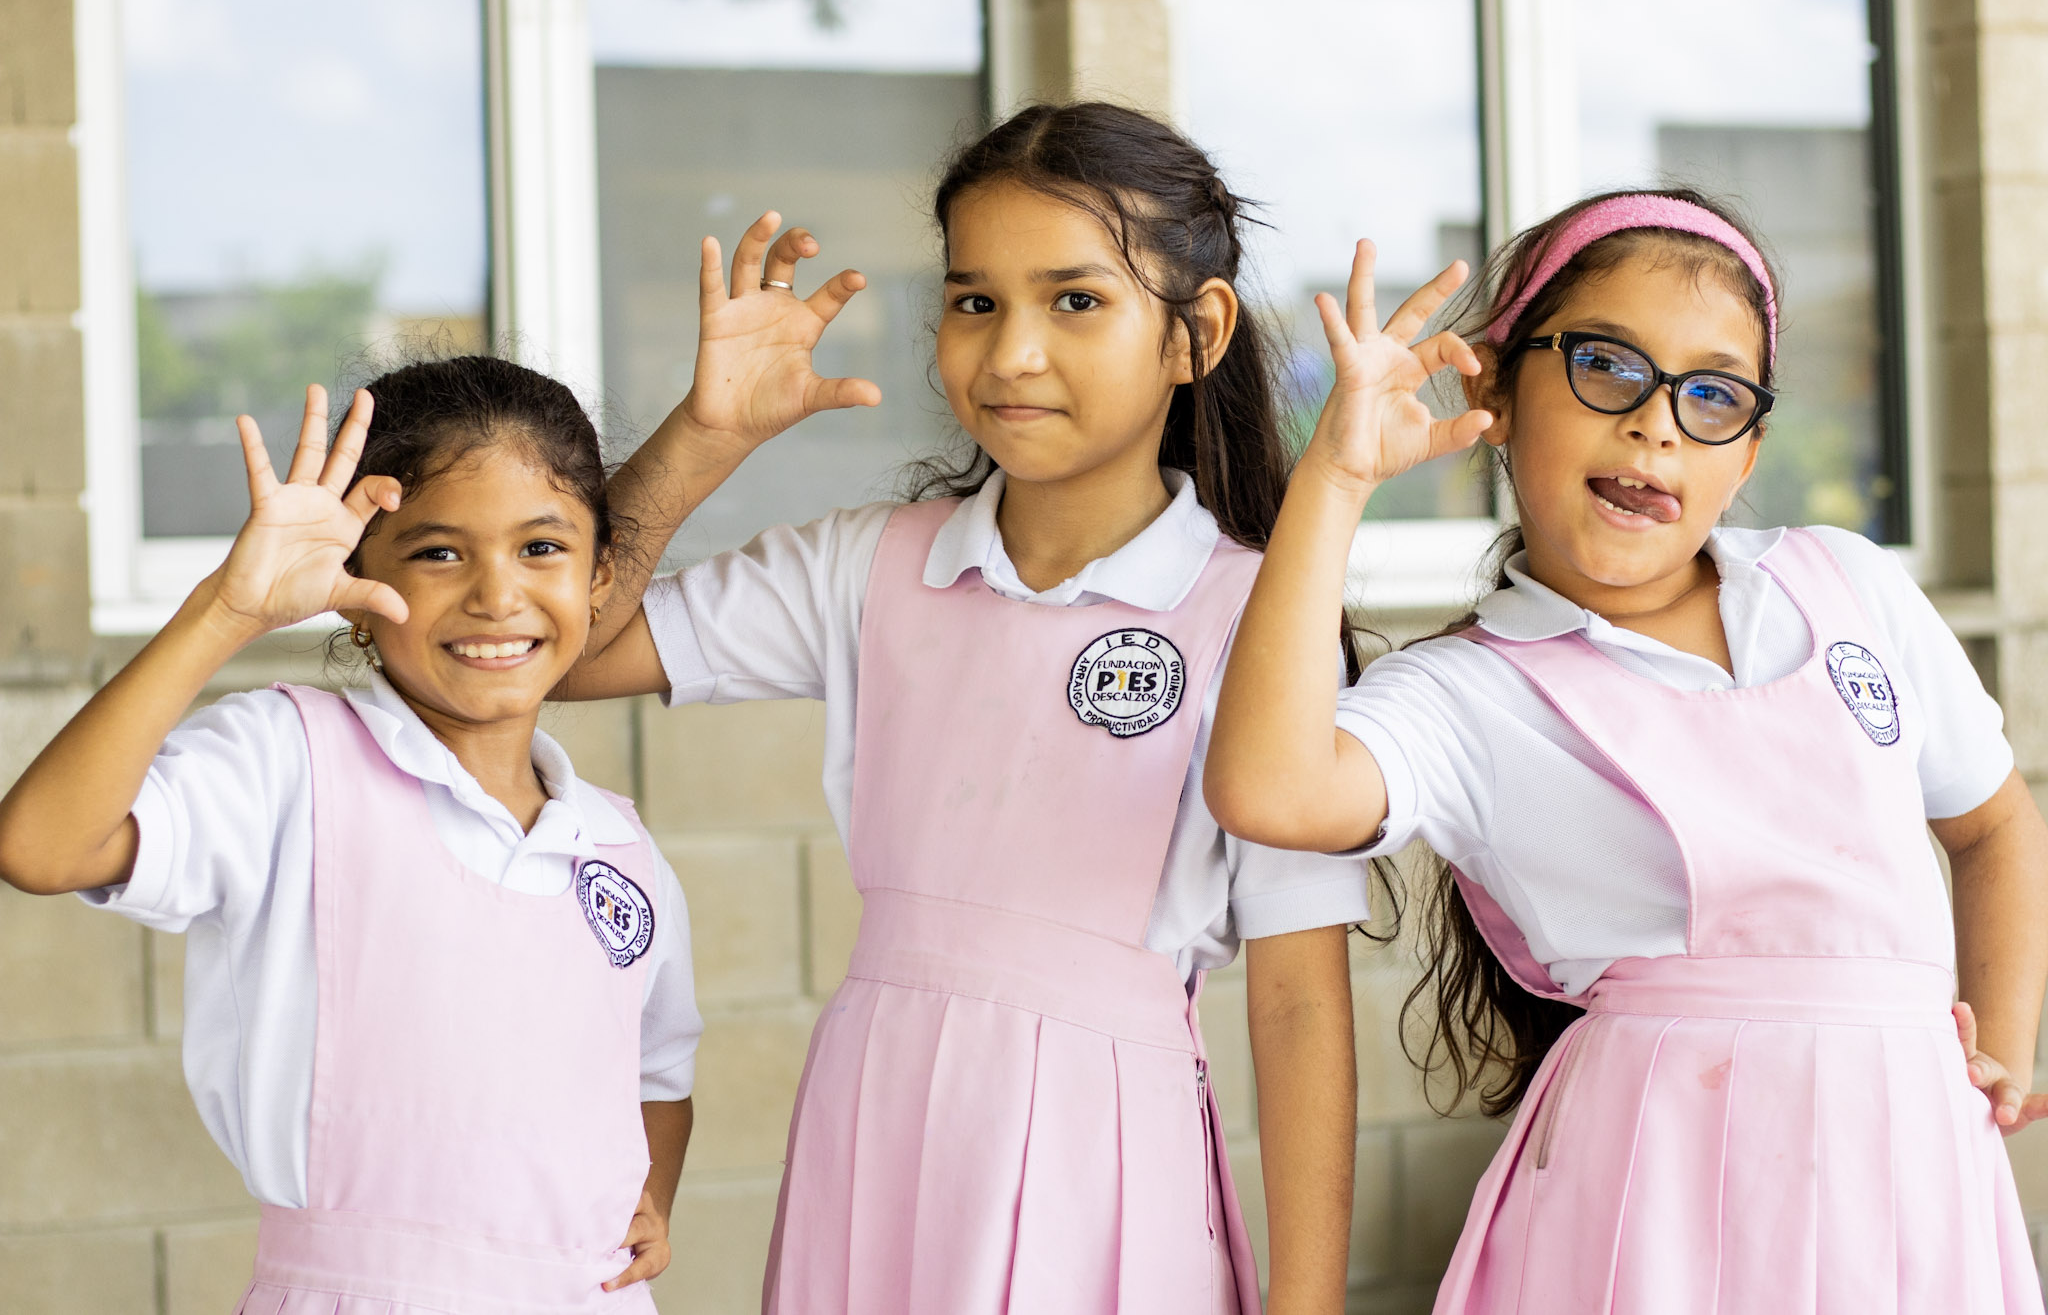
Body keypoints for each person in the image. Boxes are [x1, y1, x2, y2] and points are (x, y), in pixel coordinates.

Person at [561, 102, 1364, 1314]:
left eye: (1075, 300)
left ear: (1193, 333)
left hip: (1109, 1164)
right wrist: (705, 435)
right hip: (874, 1131)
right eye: (974, 300)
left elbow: (1299, 1004)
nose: (1010, 355)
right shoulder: (866, 565)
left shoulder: (1261, 615)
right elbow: (554, 651)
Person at [1205, 188, 2048, 1313]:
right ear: (1494, 390)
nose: (1657, 423)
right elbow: (1266, 789)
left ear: (1747, 452)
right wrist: (1337, 480)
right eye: (1606, 365)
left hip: (1908, 1194)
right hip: (1650, 1210)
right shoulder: (1467, 693)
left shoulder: (1847, 584)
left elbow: (1992, 823)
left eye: (1713, 394)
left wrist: (1997, 1061)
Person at [0, 358, 701, 1312]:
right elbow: (42, 846)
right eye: (439, 552)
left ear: (601, 571)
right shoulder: (288, 761)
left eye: (542, 547)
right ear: (356, 579)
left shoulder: (619, 848)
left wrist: (650, 1195)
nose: (497, 595)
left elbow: (657, 1071)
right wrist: (226, 611)